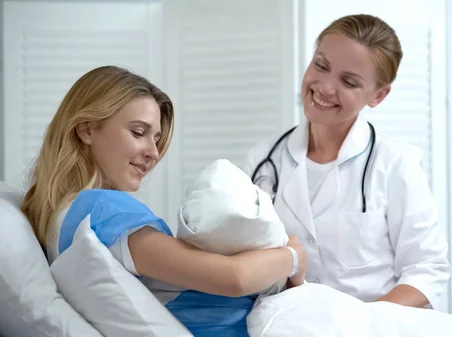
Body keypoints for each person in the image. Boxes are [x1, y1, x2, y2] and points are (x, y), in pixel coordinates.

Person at [20, 65, 307, 337]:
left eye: (155, 138)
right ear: (86, 129)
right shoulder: (100, 208)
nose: (154, 153)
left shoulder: (63, 215)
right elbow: (234, 278)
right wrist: (293, 255)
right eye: (138, 132)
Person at [245, 14, 450, 309]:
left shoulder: (395, 164)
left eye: (349, 81)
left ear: (378, 95)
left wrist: (362, 324)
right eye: (321, 65)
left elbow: (427, 269)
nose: (326, 88)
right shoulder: (262, 162)